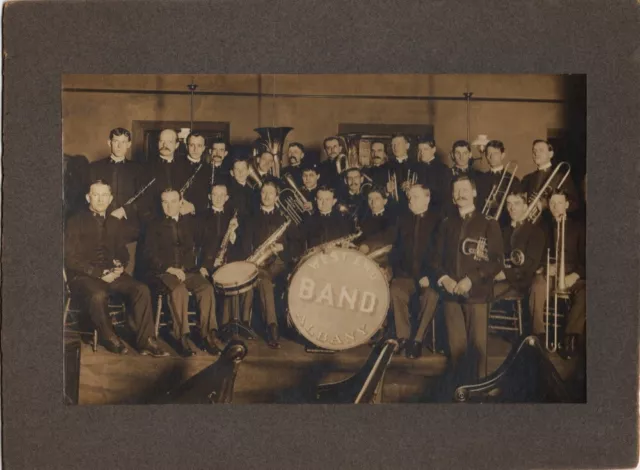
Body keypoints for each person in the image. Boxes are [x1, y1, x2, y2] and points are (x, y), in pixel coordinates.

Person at [65, 180, 167, 357]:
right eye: (96, 195)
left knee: (141, 289)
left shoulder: (114, 222)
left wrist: (120, 265)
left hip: (111, 274)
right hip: (83, 277)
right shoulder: (75, 221)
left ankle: (147, 341)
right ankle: (109, 337)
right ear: (88, 197)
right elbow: (70, 258)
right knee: (98, 295)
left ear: (111, 198)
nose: (100, 199)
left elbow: (122, 252)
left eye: (105, 195)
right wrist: (98, 274)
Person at [432, 176, 503, 385]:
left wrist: (471, 280)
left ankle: (479, 392)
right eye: (456, 191)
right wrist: (444, 279)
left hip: (477, 294)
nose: (460, 194)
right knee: (456, 348)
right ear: (453, 197)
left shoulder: (489, 223)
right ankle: (460, 392)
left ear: (474, 193)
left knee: (478, 349)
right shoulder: (446, 224)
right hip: (451, 294)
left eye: (464, 189)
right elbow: (434, 259)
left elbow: (497, 261)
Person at [142, 188, 223, 356]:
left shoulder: (191, 223)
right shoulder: (153, 225)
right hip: (163, 273)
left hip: (189, 272)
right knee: (179, 291)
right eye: (165, 202)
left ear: (181, 203)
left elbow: (211, 239)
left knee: (206, 289)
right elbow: (148, 255)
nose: (169, 206)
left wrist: (204, 265)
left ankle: (207, 336)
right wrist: (169, 268)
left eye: (173, 202)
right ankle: (182, 337)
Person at [242, 182, 303, 348]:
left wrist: (283, 247)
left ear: (277, 197)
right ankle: (272, 327)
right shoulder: (250, 218)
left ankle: (273, 325)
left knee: (270, 281)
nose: (267, 196)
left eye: (271, 193)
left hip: (280, 264)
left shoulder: (286, 220)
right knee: (265, 282)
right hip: (259, 265)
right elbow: (245, 245)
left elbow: (298, 245)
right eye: (263, 192)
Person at [529, 189, 585, 358]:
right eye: (552, 203)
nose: (555, 206)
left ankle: (570, 337)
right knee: (537, 286)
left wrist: (575, 274)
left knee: (586, 293)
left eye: (559, 203)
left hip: (572, 274)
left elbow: (587, 259)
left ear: (566, 205)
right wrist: (546, 267)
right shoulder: (542, 227)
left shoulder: (579, 228)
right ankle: (540, 334)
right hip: (551, 272)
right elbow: (536, 256)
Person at [389, 184, 441, 358]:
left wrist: (430, 276)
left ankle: (417, 340)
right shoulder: (402, 220)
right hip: (406, 276)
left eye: (415, 197)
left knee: (431, 296)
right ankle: (402, 337)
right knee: (395, 289)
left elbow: (442, 253)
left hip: (429, 277)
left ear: (427, 198)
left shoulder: (440, 221)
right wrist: (392, 271)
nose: (410, 200)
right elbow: (394, 248)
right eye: (409, 197)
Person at [198, 183, 253, 329]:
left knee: (235, 281)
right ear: (210, 197)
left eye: (222, 195)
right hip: (208, 264)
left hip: (228, 263)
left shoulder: (233, 218)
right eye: (215, 194)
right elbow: (196, 246)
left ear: (227, 197)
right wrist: (204, 265)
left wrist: (233, 233)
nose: (218, 198)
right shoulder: (200, 217)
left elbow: (240, 247)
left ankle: (234, 324)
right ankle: (221, 327)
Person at [89, 128, 144, 241]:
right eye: (116, 141)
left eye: (123, 142)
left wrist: (125, 210)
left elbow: (143, 198)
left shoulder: (138, 169)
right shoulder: (94, 167)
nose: (119, 146)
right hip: (100, 225)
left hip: (128, 227)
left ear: (129, 144)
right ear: (109, 142)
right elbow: (87, 196)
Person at [520, 139, 580, 227]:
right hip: (531, 227)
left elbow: (574, 204)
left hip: (552, 226)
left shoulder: (560, 176)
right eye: (534, 151)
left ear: (550, 154)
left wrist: (548, 204)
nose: (536, 153)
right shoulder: (527, 178)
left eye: (541, 150)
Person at [475, 140, 521, 227]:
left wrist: (498, 205)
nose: (491, 156)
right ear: (486, 156)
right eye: (488, 153)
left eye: (495, 153)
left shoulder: (514, 180)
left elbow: (517, 206)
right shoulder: (480, 179)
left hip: (506, 225)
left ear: (502, 155)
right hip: (484, 225)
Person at [410, 137, 449, 218]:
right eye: (420, 150)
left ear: (433, 150)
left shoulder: (443, 169)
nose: (422, 153)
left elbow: (444, 194)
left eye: (425, 149)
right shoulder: (414, 168)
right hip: (417, 211)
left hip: (437, 211)